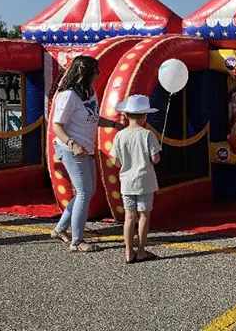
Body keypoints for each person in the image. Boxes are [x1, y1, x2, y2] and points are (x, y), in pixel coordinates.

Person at [51, 55, 122, 253]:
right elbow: (57, 126)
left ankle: (60, 229)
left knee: (87, 192)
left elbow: (93, 117)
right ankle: (76, 240)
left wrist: (114, 124)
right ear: (85, 72)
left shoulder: (89, 93)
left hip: (86, 148)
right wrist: (72, 144)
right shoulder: (68, 96)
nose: (98, 75)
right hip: (71, 149)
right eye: (96, 71)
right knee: (83, 192)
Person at [110, 95, 161, 264]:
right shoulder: (148, 135)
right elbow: (155, 159)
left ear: (125, 115)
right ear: (144, 115)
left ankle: (127, 252)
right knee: (144, 215)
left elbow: (114, 160)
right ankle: (141, 250)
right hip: (145, 181)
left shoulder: (119, 136)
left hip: (127, 181)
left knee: (129, 217)